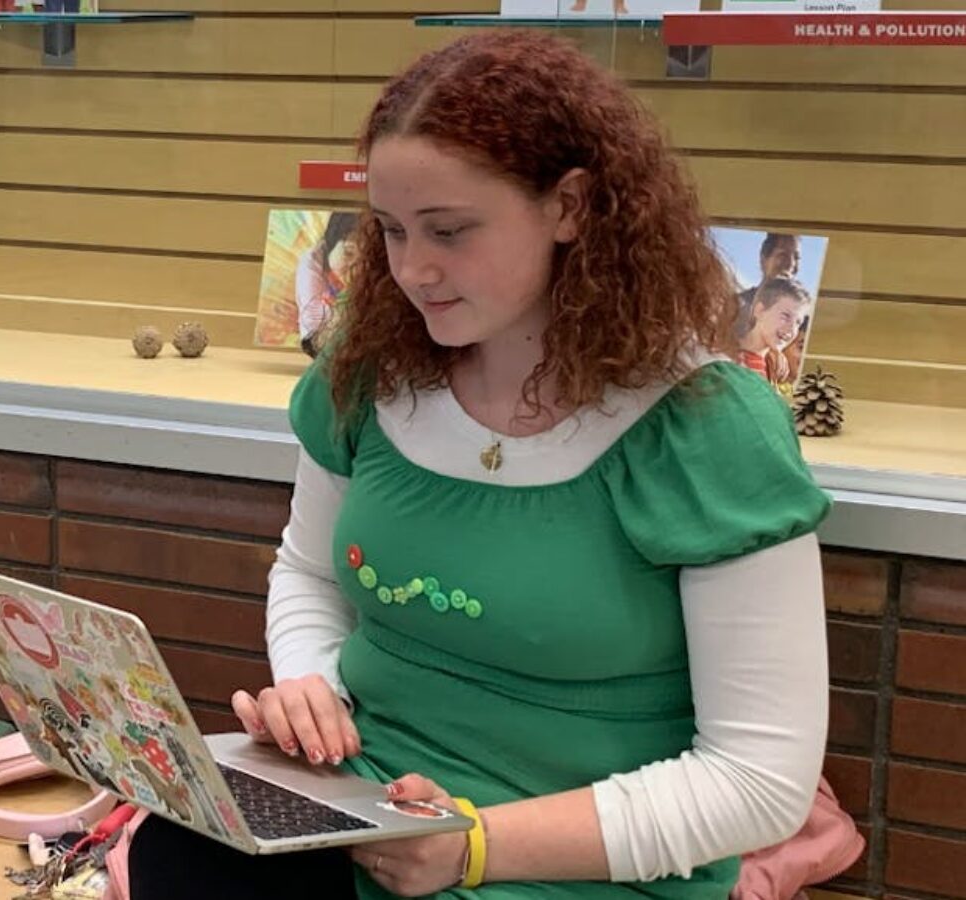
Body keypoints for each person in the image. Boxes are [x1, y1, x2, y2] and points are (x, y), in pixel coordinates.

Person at [127, 30, 830, 900]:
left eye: (451, 231)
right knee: (172, 849)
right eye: (389, 231)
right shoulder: (368, 372)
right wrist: (310, 685)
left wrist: (473, 847)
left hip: (581, 868)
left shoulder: (704, 428)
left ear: (570, 207)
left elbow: (758, 782)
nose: (414, 270)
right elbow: (307, 572)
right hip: (372, 819)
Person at [296, 212, 360, 358]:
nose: (356, 268)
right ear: (330, 243)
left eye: (364, 260)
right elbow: (312, 323)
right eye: (348, 253)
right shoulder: (312, 261)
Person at [737, 276, 814, 391]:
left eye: (798, 322)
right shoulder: (727, 354)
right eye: (785, 316)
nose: (791, 329)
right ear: (760, 311)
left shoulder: (773, 369)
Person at [736, 233, 800, 317]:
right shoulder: (736, 306)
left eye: (796, 257)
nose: (791, 263)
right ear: (763, 260)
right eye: (783, 255)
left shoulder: (798, 317)